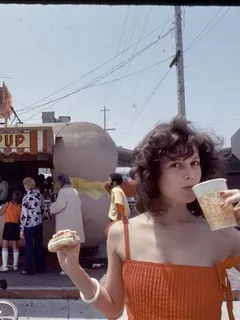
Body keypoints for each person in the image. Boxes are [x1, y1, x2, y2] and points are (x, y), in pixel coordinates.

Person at [55, 116, 240, 320]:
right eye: (176, 165)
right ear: (153, 173)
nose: (190, 174)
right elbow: (113, 309)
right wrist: (73, 269)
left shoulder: (223, 234)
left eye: (194, 163)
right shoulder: (122, 234)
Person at [50, 173, 85, 275]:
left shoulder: (63, 192)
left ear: (61, 182)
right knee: (73, 245)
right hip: (74, 220)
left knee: (64, 244)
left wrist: (51, 206)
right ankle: (74, 266)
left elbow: (60, 205)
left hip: (65, 220)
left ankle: (67, 268)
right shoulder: (74, 191)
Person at [20, 177, 45, 275]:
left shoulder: (26, 198)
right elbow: (43, 208)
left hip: (29, 226)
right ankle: (40, 267)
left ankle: (28, 269)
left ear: (25, 185)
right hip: (38, 224)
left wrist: (21, 228)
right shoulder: (40, 195)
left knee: (29, 247)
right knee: (39, 245)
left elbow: (24, 215)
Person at [0, 190, 22, 272]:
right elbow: (21, 218)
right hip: (16, 226)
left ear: (12, 197)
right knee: (15, 245)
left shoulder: (8, 204)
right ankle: (15, 265)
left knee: (5, 244)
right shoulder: (20, 206)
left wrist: (3, 207)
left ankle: (5, 266)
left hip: (8, 225)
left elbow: (0, 213)